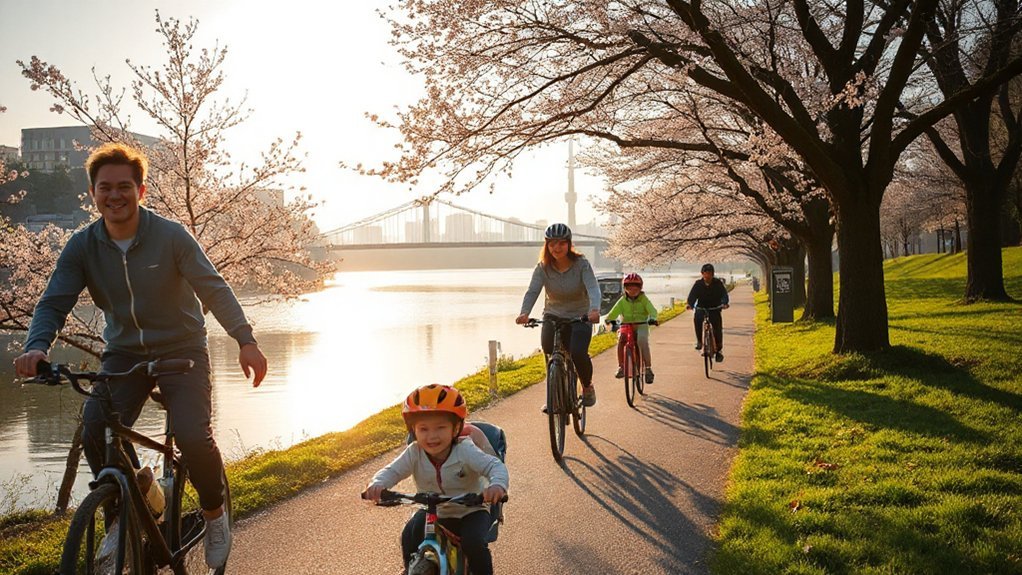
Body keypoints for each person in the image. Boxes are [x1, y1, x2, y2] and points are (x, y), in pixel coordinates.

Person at [13, 142, 267, 569]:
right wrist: (36, 346)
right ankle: (130, 510)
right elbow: (54, 301)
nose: (115, 195)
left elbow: (213, 288)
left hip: (182, 349)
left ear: (141, 191)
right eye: (105, 187)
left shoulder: (171, 236)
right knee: (96, 429)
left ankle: (214, 513)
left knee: (191, 434)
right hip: (124, 352)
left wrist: (245, 339)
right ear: (93, 193)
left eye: (124, 187)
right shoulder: (82, 246)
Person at [364, 384, 509, 575]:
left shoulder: (465, 449)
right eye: (423, 429)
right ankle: (411, 569)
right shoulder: (414, 452)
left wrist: (497, 485)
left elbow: (494, 466)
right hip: (433, 509)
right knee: (409, 534)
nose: (432, 436)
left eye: (440, 427)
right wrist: (377, 484)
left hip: (471, 510)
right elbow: (392, 471)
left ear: (456, 428)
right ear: (413, 430)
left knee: (473, 543)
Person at [515, 223, 601, 407]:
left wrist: (594, 310)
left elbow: (593, 288)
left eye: (561, 243)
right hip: (553, 314)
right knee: (548, 349)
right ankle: (553, 396)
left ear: (569, 244)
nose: (557, 248)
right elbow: (533, 291)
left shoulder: (581, 264)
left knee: (578, 353)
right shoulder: (542, 268)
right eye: (552, 243)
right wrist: (524, 313)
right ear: (547, 245)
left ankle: (587, 386)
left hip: (580, 315)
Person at [604, 273, 659, 384]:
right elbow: (614, 312)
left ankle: (648, 368)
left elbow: (652, 310)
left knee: (642, 340)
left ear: (640, 288)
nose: (632, 291)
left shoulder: (644, 299)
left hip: (641, 324)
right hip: (626, 325)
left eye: (635, 288)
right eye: (629, 288)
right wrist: (609, 319)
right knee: (621, 340)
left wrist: (653, 318)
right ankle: (621, 366)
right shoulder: (622, 300)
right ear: (625, 288)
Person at [686, 263, 730, 363]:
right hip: (701, 308)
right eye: (706, 273)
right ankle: (699, 342)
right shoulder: (698, 284)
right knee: (697, 320)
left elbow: (724, 294)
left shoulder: (718, 283)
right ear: (702, 274)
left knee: (717, 327)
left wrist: (724, 303)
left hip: (715, 308)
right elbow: (692, 296)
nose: (708, 276)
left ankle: (718, 350)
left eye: (710, 273)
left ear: (713, 274)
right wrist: (690, 304)